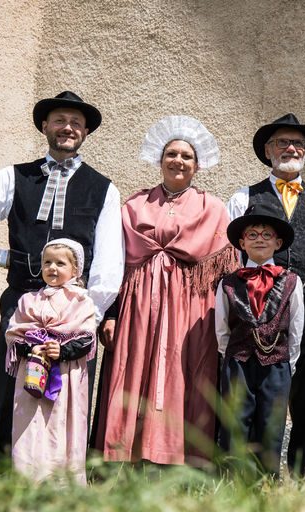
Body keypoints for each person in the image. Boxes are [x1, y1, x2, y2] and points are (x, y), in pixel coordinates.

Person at [0, 91, 124, 467]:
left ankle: (61, 489)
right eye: (59, 120)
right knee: (12, 392)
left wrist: (88, 313)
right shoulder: (15, 176)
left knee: (68, 399)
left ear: (86, 131)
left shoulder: (103, 188)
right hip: (22, 305)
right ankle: (5, 486)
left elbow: (109, 260)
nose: (67, 127)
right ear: (45, 126)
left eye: (76, 122)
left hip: (75, 315)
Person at [92, 115, 237, 466]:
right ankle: (124, 455)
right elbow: (114, 264)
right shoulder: (134, 205)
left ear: (197, 165)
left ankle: (178, 455)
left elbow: (225, 274)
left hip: (190, 312)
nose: (178, 161)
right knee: (132, 369)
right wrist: (109, 314)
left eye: (186, 156)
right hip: (137, 308)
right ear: (159, 160)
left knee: (185, 374)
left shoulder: (214, 210)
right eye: (172, 154)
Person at [227, 113, 305, 476]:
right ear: (268, 150)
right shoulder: (242, 199)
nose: (291, 148)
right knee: (256, 399)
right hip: (255, 314)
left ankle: (304, 482)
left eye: (298, 143)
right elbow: (230, 261)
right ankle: (252, 481)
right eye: (282, 143)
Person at [215, 204, 304, 475]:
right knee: (235, 423)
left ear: (278, 242)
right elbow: (221, 328)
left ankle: (266, 484)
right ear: (242, 242)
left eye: (266, 235)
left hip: (277, 363)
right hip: (238, 363)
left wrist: (289, 362)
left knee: (271, 425)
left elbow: (296, 326)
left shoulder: (292, 281)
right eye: (252, 235)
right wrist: (232, 356)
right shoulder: (228, 283)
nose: (260, 239)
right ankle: (232, 482)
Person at [5, 239, 96, 484]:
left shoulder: (81, 302)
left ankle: (60, 482)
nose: (52, 268)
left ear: (75, 270)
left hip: (65, 377)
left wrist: (62, 349)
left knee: (61, 424)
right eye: (47, 262)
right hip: (33, 372)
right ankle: (27, 479)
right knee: (29, 422)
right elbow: (14, 333)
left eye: (60, 263)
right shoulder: (28, 300)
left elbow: (87, 338)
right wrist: (31, 345)